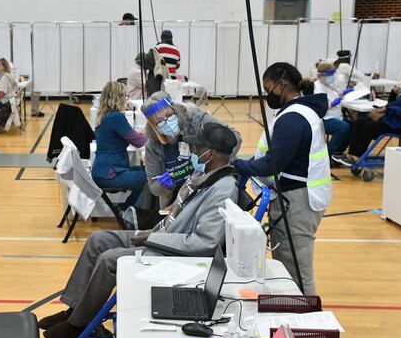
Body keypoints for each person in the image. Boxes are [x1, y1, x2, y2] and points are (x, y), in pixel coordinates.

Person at [40, 122, 240, 338]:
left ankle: (78, 324)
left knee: (108, 260)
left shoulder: (223, 189)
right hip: (162, 235)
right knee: (99, 239)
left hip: (176, 253)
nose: (193, 151)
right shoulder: (204, 174)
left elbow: (204, 243)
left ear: (211, 153)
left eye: (198, 148)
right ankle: (75, 310)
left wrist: (152, 238)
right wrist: (152, 232)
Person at [232, 62, 331, 295]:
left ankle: (307, 323)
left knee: (295, 271)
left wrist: (238, 165)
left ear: (282, 84)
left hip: (297, 202)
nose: (268, 95)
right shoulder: (301, 112)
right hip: (298, 197)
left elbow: (272, 163)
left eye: (268, 89)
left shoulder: (293, 118)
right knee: (289, 268)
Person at [141, 91, 241, 208]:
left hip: (209, 188)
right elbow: (154, 186)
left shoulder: (195, 118)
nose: (167, 122)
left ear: (174, 109)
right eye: (160, 121)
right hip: (179, 198)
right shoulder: (153, 146)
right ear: (153, 126)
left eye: (169, 115)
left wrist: (214, 168)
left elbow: (234, 139)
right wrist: (164, 187)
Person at [345, 64, 401, 160]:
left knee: (369, 126)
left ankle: (358, 156)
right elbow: (397, 104)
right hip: (398, 121)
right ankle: (351, 154)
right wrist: (393, 94)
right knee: (359, 122)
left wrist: (386, 108)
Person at [91, 81, 147, 206]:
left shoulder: (106, 115)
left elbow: (126, 135)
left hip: (104, 170)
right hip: (110, 174)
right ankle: (128, 210)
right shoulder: (116, 117)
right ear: (118, 98)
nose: (126, 100)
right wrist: (152, 134)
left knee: (147, 172)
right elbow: (138, 142)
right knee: (149, 179)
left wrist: (137, 133)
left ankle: (128, 209)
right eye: (125, 97)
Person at [313, 62, 352, 162]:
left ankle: (338, 153)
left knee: (352, 126)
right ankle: (328, 155)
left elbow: (335, 93)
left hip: (336, 116)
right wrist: (332, 104)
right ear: (321, 76)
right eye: (329, 75)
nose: (331, 77)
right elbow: (319, 108)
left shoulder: (328, 84)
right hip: (324, 118)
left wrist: (343, 93)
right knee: (343, 128)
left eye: (332, 75)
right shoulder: (317, 88)